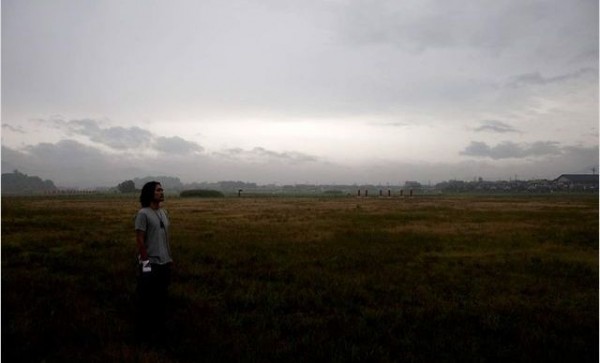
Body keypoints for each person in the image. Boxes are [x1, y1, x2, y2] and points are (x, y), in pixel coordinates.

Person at [134, 181, 173, 344]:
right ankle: (144, 335)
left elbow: (164, 238)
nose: (161, 192)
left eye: (162, 189)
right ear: (150, 193)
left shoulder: (164, 212)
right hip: (151, 264)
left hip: (165, 263)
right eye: (158, 190)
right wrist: (146, 264)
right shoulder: (143, 214)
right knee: (147, 301)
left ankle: (160, 332)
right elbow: (140, 240)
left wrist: (170, 258)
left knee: (161, 299)